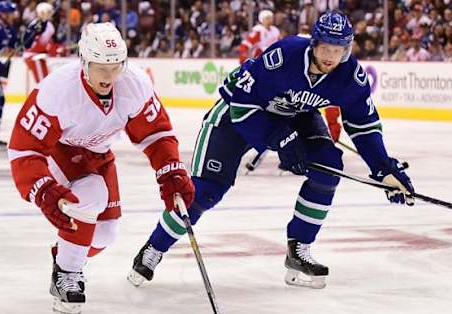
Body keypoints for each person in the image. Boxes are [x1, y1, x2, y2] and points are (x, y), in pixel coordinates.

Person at [128, 11, 415, 290]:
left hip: (293, 115)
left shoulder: (350, 76)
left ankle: (299, 249)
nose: (330, 57)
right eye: (325, 48)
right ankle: (154, 248)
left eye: (338, 50)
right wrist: (280, 139)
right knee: (205, 191)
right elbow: (241, 104)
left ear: (347, 50)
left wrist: (384, 169)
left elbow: (364, 126)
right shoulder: (286, 55)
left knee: (328, 166)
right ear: (314, 44)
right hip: (238, 116)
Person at [8, 22, 195, 314]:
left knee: (105, 234)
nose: (109, 76)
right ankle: (65, 275)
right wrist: (42, 189)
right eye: (100, 67)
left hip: (98, 154)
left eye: (116, 66)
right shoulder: (58, 91)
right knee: (91, 193)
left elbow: (156, 134)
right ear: (84, 62)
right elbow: (24, 148)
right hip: (61, 150)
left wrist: (170, 171)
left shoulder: (134, 84)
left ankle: (67, 257)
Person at [0, 0, 18, 147]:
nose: (12, 15)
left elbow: (12, 46)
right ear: (2, 13)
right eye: (10, 13)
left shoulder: (6, 27)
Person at [22, 2, 56, 84]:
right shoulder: (36, 24)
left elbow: (49, 42)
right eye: (48, 12)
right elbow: (27, 44)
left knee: (47, 80)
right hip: (33, 56)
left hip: (40, 55)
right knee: (43, 82)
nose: (50, 14)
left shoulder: (49, 25)